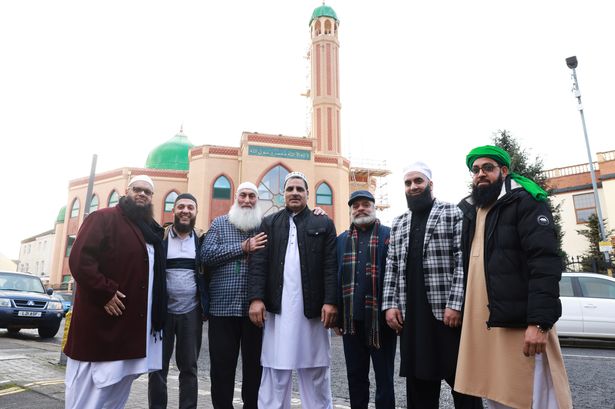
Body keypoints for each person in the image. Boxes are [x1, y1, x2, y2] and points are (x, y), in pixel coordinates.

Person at [454, 145, 573, 409]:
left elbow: (544, 263)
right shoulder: (474, 210)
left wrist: (539, 323)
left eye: (488, 168)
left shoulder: (526, 202)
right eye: (475, 170)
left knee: (533, 397)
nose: (480, 174)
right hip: (487, 325)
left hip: (521, 325)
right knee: (496, 395)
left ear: (504, 171)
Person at [382, 162, 482, 409]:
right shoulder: (399, 222)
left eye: (418, 181)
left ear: (430, 184)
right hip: (412, 317)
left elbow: (463, 260)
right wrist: (389, 305)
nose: (413, 187)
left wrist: (456, 305)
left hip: (445, 315)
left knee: (462, 382)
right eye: (408, 183)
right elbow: (391, 266)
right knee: (418, 385)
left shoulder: (452, 213)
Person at [64, 175, 165, 409]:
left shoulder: (149, 231)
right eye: (137, 190)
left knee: (116, 392)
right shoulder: (103, 218)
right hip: (101, 326)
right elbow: (80, 261)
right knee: (90, 393)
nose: (142, 194)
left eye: (147, 192)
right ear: (126, 192)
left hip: (129, 330)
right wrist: (105, 292)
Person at [248, 171, 338, 409]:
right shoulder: (269, 223)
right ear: (284, 194)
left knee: (315, 370)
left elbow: (331, 265)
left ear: (308, 194)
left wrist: (330, 301)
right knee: (276, 371)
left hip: (313, 311)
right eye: (290, 189)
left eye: (300, 189)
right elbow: (258, 264)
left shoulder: (323, 223)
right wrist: (256, 299)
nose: (295, 193)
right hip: (279, 312)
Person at [201, 182, 266, 409]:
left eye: (252, 196)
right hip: (222, 309)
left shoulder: (264, 227)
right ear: (235, 198)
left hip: (255, 313)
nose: (247, 200)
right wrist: (242, 247)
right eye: (243, 195)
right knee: (221, 368)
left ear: (257, 200)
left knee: (255, 369)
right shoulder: (219, 224)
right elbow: (206, 255)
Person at [335, 190, 396, 409]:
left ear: (374, 207)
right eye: (355, 206)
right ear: (351, 210)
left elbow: (397, 274)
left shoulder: (390, 235)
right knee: (355, 377)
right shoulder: (341, 240)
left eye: (365, 204)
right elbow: (335, 277)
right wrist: (337, 316)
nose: (360, 208)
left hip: (381, 322)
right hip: (351, 323)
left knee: (385, 379)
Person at [149, 193, 206, 409]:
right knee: (157, 368)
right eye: (181, 206)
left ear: (196, 212)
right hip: (162, 313)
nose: (185, 211)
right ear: (174, 211)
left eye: (190, 207)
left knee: (189, 368)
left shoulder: (202, 240)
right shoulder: (159, 239)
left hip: (191, 312)